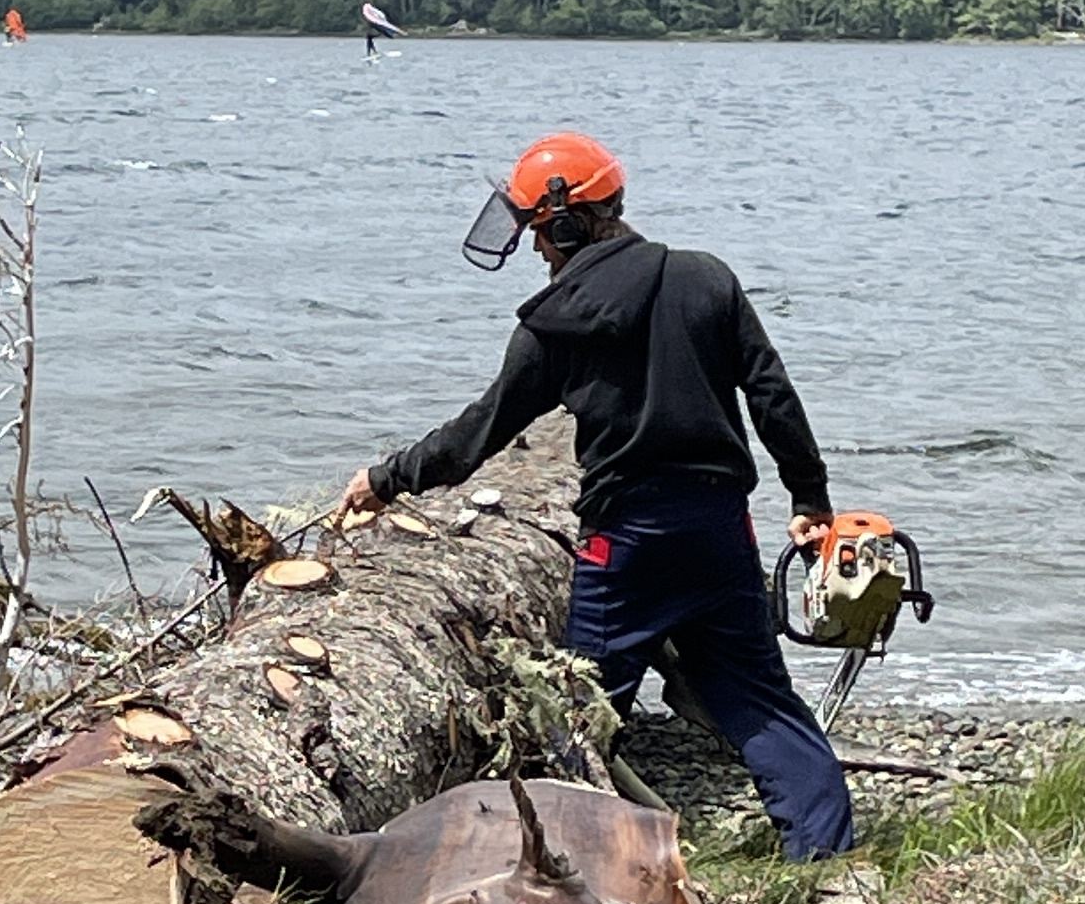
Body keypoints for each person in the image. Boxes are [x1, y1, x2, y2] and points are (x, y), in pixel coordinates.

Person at [337, 133, 855, 858]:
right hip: (718, 529)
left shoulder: (553, 325)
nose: (539, 253)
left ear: (569, 223)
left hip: (625, 541)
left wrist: (386, 478)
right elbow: (772, 395)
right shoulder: (706, 279)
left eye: (541, 235)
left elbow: (475, 436)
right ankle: (826, 855)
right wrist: (810, 497)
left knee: (575, 720)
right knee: (759, 700)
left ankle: (560, 874)